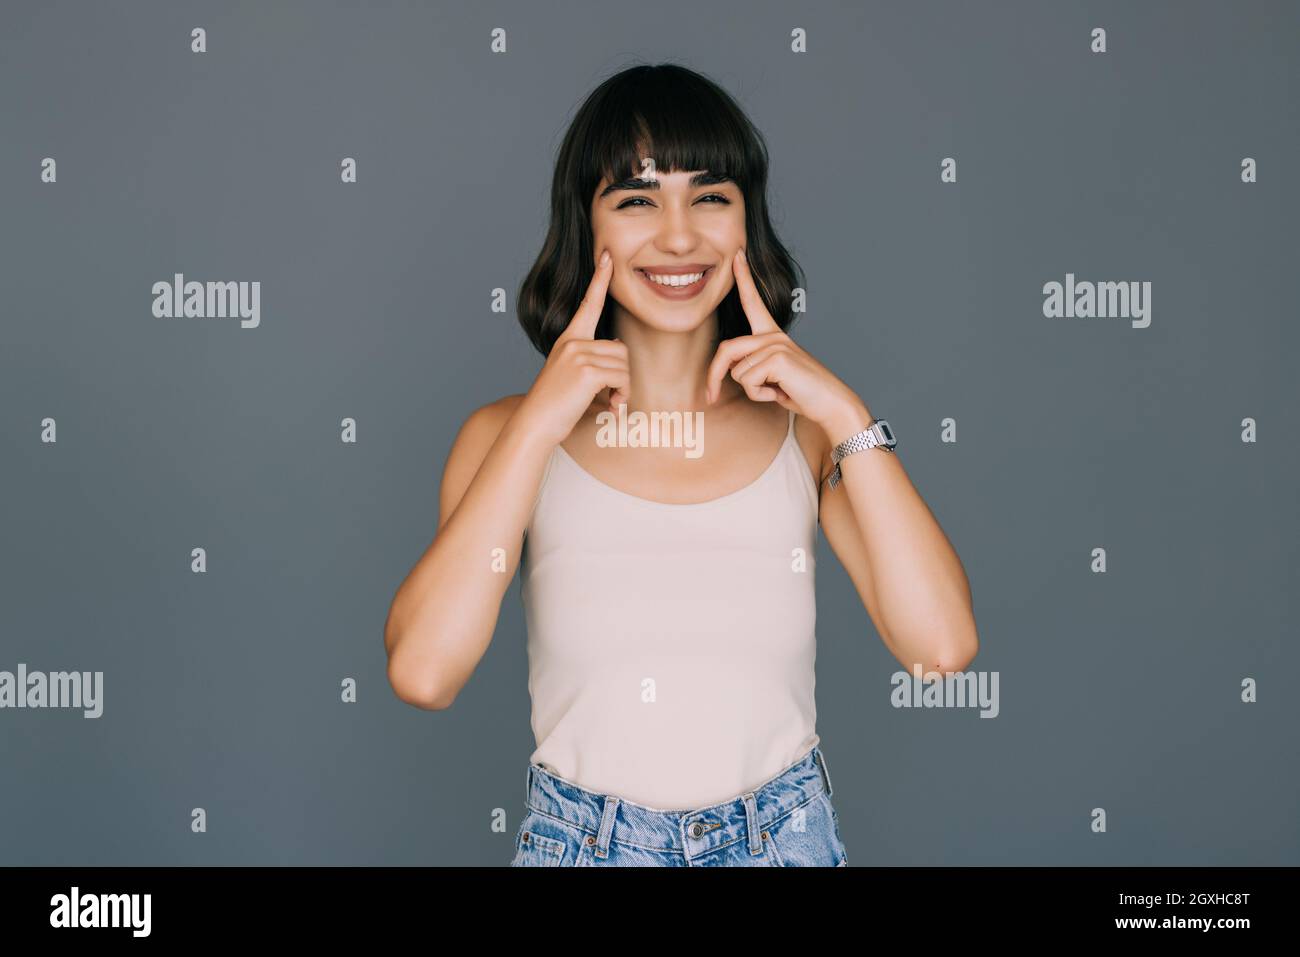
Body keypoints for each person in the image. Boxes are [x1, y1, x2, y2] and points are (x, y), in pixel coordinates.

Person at [384, 63, 979, 866]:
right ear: (584, 224)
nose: (677, 235)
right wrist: (539, 423)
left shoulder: (807, 436)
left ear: (746, 222)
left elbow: (938, 648)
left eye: (710, 196)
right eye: (636, 199)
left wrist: (844, 413)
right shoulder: (503, 436)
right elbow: (424, 671)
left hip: (784, 844)